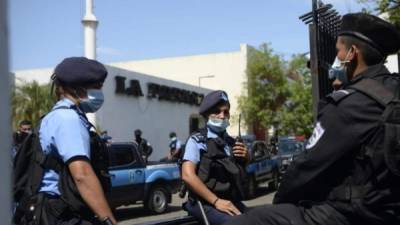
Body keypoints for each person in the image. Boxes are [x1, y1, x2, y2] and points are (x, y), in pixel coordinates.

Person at [224, 13, 400, 225]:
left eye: (338, 51)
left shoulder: (348, 105)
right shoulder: (392, 91)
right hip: (389, 211)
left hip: (352, 215)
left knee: (246, 221)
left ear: (351, 53)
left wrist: (280, 204)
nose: (335, 59)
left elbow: (305, 168)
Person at [19, 57, 117, 225]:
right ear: (77, 89)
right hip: (62, 214)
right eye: (97, 87)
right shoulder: (68, 119)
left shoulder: (56, 116)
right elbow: (82, 175)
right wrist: (109, 221)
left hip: (51, 211)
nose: (100, 93)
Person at [182, 90, 249, 225]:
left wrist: (245, 158)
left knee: (261, 219)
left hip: (229, 200)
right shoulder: (197, 141)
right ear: (207, 115)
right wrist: (216, 201)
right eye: (217, 111)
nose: (222, 116)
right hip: (205, 202)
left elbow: (235, 174)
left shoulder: (231, 142)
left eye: (226, 112)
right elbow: (187, 176)